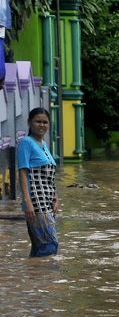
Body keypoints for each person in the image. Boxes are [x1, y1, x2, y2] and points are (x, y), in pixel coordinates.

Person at [16, 108, 58, 257]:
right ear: (29, 123)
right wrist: (27, 201)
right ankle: (47, 278)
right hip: (36, 202)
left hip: (47, 202)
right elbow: (22, 172)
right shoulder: (26, 143)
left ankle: (35, 276)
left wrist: (55, 198)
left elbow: (49, 176)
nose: (42, 125)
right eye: (38, 121)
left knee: (40, 247)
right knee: (49, 245)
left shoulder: (44, 144)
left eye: (45, 122)